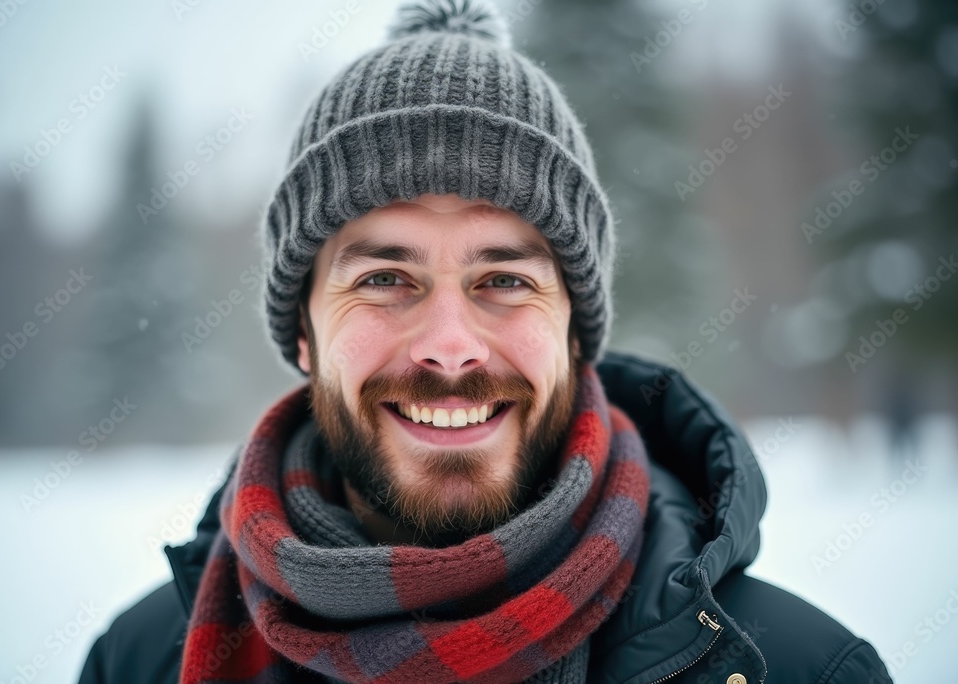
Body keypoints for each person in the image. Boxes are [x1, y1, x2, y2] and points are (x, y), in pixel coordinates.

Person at [78, 1, 892, 682]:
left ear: (575, 329)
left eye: (504, 280)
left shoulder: (797, 667)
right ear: (303, 331)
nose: (450, 348)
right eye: (384, 280)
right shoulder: (142, 660)